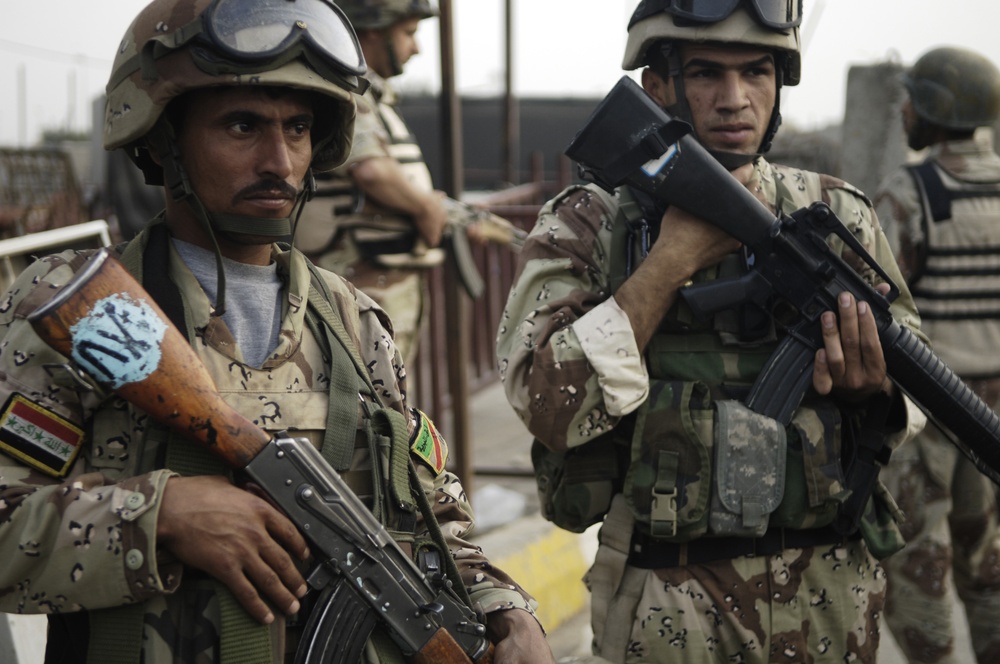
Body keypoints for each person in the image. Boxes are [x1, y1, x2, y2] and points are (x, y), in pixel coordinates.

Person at [0, 1, 554, 662]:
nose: (280, 161)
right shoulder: (82, 308)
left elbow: (430, 505)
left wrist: (505, 607)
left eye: (297, 128)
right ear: (160, 136)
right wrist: (160, 516)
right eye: (243, 125)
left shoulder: (352, 319)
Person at [496, 2, 926, 662]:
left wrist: (876, 390)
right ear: (656, 89)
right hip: (667, 597)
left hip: (828, 587)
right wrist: (668, 264)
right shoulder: (589, 222)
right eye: (705, 74)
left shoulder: (837, 213)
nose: (734, 100)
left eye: (756, 71)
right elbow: (545, 405)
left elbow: (916, 387)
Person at [875, 46, 1000, 664]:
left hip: (935, 410)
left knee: (916, 561)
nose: (903, 111)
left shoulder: (911, 191)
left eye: (913, 100)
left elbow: (870, 298)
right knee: (990, 564)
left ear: (934, 110)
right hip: (996, 414)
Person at [294, 0, 446, 367]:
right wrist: (425, 207)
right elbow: (370, 170)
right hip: (360, 282)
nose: (417, 47)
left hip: (374, 279)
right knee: (373, 405)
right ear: (374, 32)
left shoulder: (370, 94)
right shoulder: (350, 91)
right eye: (408, 33)